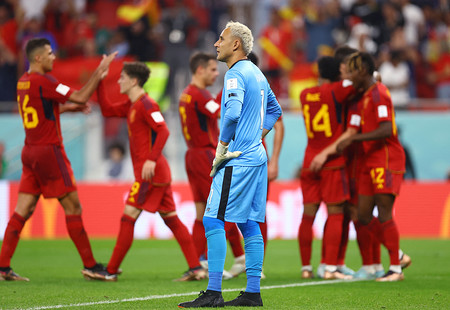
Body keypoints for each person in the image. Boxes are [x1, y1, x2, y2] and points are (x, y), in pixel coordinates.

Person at [178, 20, 282, 308]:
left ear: (235, 43)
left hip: (237, 159)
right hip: (257, 157)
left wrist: (223, 146)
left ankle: (213, 293)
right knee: (249, 223)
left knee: (212, 219)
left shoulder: (235, 74)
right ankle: (252, 294)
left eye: (221, 38)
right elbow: (275, 109)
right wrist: (258, 135)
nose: (216, 44)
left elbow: (233, 114)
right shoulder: (258, 74)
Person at [0, 38, 117, 281]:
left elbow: (43, 113)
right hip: (49, 152)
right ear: (38, 58)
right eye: (51, 54)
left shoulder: (23, 82)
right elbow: (81, 97)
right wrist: (99, 71)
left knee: (23, 209)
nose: (54, 57)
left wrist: (67, 110)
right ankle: (91, 266)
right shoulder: (44, 81)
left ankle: (2, 267)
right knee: (73, 207)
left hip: (30, 152)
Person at [82, 61, 206, 282]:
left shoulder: (147, 104)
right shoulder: (132, 105)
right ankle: (195, 267)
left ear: (133, 81)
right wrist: (100, 81)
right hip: (156, 174)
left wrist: (150, 159)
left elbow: (164, 131)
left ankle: (110, 271)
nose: (118, 81)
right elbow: (108, 109)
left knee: (127, 218)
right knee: (172, 220)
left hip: (151, 175)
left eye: (122, 77)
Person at [337, 51, 406, 282]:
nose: (350, 76)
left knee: (385, 212)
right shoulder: (365, 94)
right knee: (363, 215)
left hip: (385, 159)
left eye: (353, 70)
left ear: (363, 71)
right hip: (369, 161)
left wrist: (353, 139)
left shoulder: (379, 94)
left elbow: (386, 130)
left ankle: (395, 268)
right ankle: (399, 254)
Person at [178, 52, 246, 280]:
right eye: (213, 70)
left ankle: (197, 263)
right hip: (205, 155)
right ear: (200, 70)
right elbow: (219, 112)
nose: (216, 74)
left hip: (192, 155)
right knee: (220, 208)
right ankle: (210, 261)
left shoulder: (186, 95)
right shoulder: (198, 95)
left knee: (201, 212)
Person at [298, 56, 356, 280]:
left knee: (307, 216)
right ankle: (330, 267)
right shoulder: (337, 90)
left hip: (309, 160)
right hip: (331, 160)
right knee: (335, 213)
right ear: (338, 73)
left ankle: (305, 267)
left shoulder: (305, 94)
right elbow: (362, 82)